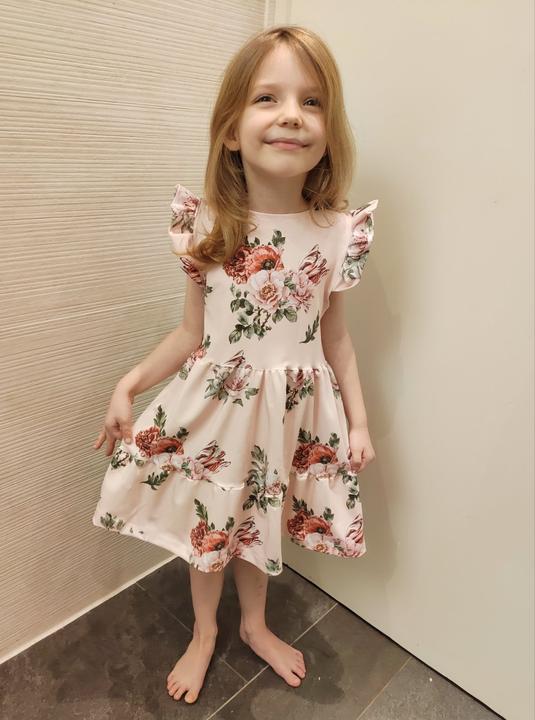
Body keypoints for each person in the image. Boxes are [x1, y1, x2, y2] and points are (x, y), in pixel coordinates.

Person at [92, 24, 379, 705]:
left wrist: (359, 423)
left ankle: (253, 624)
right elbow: (191, 334)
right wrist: (130, 382)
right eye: (267, 98)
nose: (291, 115)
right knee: (211, 528)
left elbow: (336, 341)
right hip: (217, 414)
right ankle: (204, 632)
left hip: (287, 419)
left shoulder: (338, 233)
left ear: (329, 130)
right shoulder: (209, 228)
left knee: (259, 522)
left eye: (312, 101)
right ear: (229, 130)